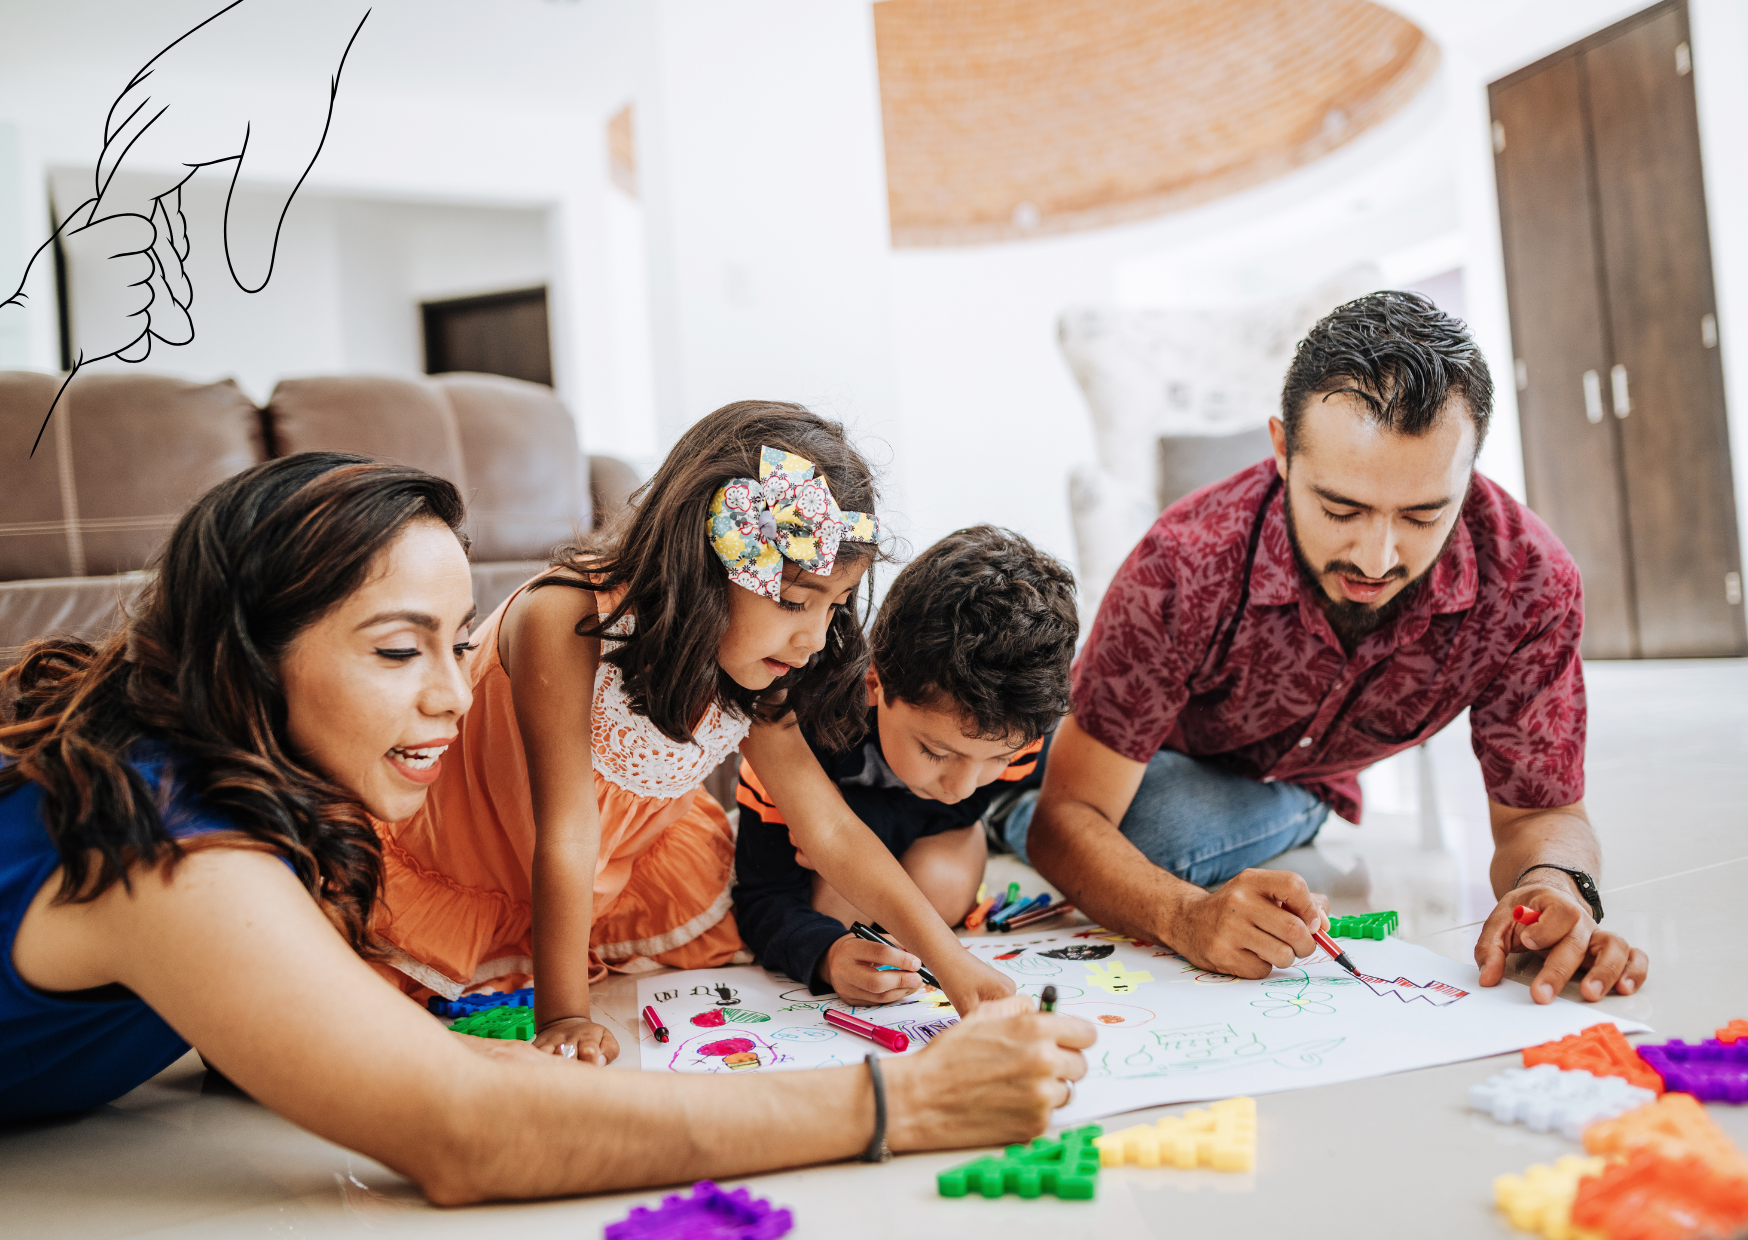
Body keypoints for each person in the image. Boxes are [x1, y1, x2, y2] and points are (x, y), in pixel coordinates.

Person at [0, 452, 1093, 1198]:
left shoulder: (247, 797)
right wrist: (907, 1098)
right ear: (245, 654)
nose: (454, 695)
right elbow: (461, 1124)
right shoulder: (172, 843)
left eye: (456, 642)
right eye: (397, 650)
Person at [1009, 292, 1649, 1005]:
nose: (1376, 557)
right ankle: (1006, 788)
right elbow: (1069, 818)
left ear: (1468, 472)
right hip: (1132, 744)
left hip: (1294, 783)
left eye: (1423, 515)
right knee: (1091, 809)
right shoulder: (1184, 563)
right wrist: (1184, 916)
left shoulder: (1529, 580)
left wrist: (1553, 886)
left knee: (1158, 833)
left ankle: (1006, 792)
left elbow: (1540, 814)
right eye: (1341, 509)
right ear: (1283, 451)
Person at [373, 402, 1015, 1066]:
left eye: (836, 606)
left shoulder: (764, 664)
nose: (815, 638)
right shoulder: (562, 616)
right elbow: (566, 833)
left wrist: (952, 963)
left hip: (614, 878)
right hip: (474, 861)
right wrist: (564, 1016)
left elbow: (829, 828)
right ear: (706, 564)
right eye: (795, 601)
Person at [734, 526, 1078, 1000]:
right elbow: (762, 896)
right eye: (936, 752)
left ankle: (995, 822)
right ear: (875, 683)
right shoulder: (800, 727)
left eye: (998, 759)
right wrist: (828, 954)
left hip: (932, 831)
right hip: (826, 830)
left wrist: (873, 822)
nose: (962, 786)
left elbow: (963, 803)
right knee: (833, 905)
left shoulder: (1018, 725)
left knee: (942, 886)